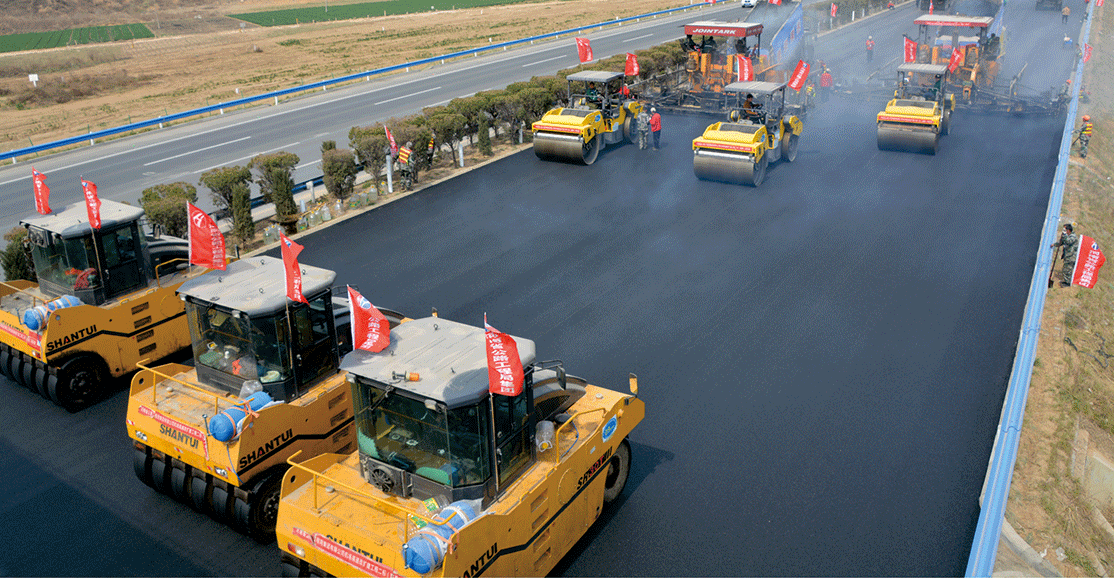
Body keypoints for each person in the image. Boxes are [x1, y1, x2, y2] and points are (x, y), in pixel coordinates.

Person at [1051, 223, 1079, 287]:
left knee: (1067, 270)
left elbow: (1068, 241)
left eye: (1065, 229)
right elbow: (1061, 242)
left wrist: (1064, 235)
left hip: (1071, 257)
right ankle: (1068, 281)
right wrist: (1054, 244)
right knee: (1067, 269)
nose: (1064, 231)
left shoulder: (1073, 237)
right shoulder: (1066, 236)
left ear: (1068, 230)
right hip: (1068, 256)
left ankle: (1068, 283)